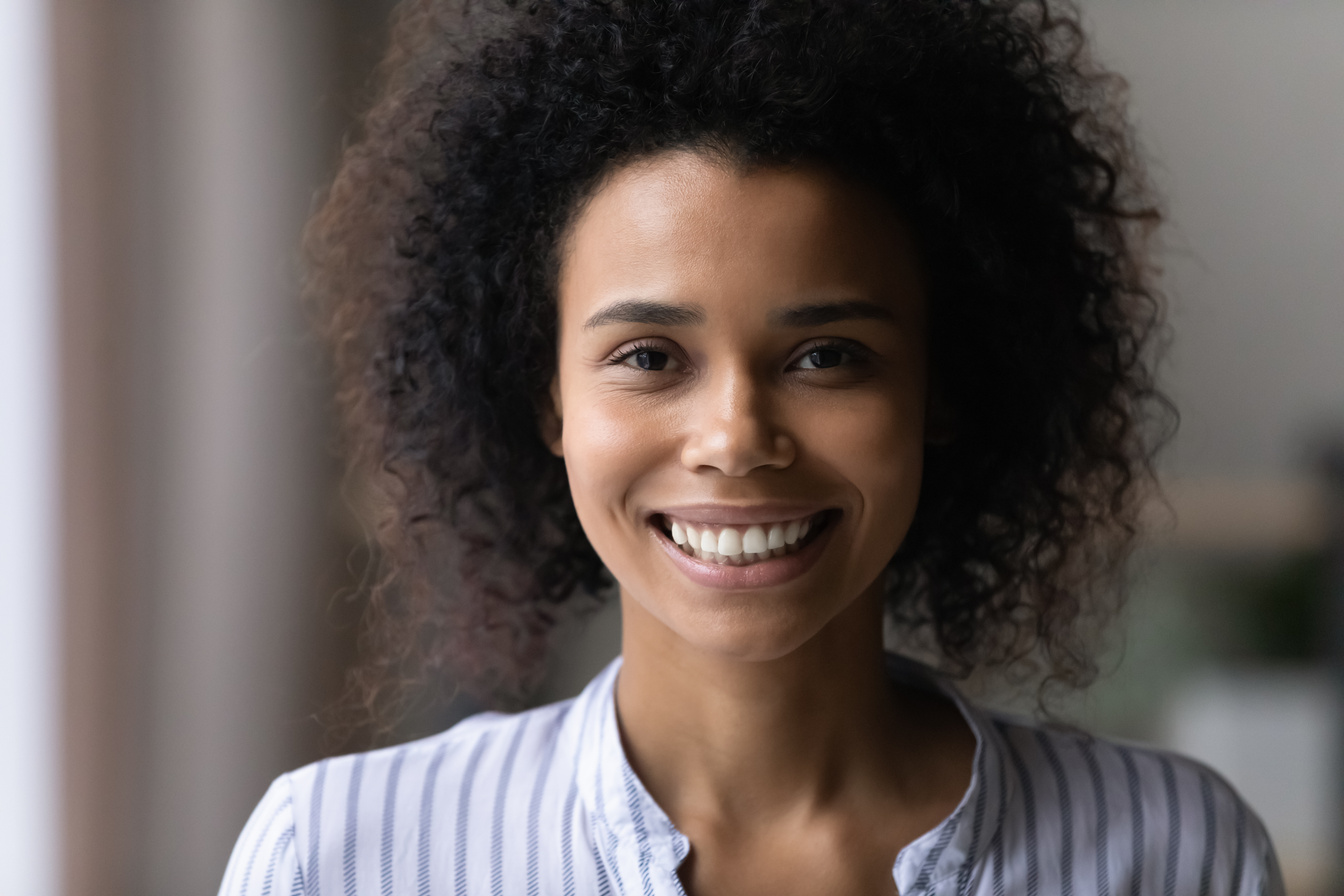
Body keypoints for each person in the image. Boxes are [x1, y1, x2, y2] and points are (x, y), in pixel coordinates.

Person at [219, 1, 1283, 894]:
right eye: (648, 355)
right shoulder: (341, 856)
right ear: (548, 400)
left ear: (942, 386)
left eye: (827, 355)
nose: (734, 438)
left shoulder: (1175, 853)